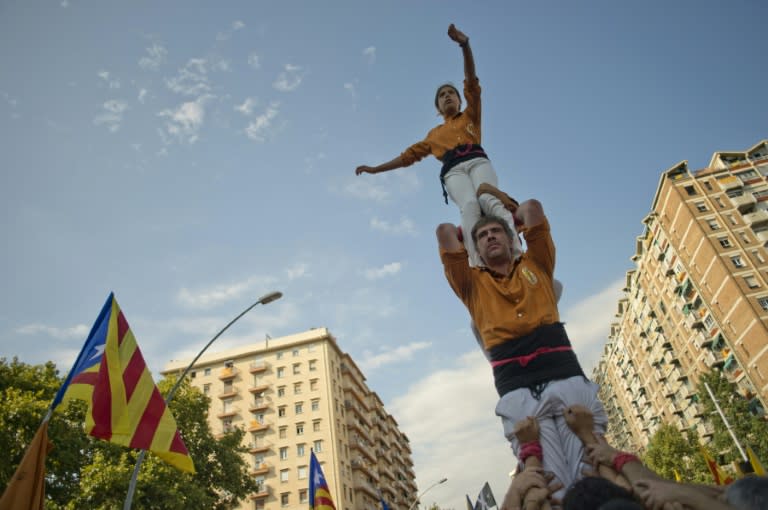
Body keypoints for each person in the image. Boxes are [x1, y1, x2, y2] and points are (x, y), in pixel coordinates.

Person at [436, 201, 605, 499]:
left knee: (590, 471)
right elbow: (445, 232)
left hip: (564, 374)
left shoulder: (537, 265)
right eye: (483, 235)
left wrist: (508, 219)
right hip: (517, 389)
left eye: (496, 232)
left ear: (512, 237)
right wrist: (472, 229)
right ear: (474, 249)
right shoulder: (471, 284)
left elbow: (532, 208)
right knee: (548, 483)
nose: (490, 236)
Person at [356, 24, 522, 267]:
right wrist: (374, 169)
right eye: (442, 95)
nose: (447, 96)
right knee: (469, 207)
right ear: (438, 107)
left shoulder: (470, 116)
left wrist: (465, 46)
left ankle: (516, 255)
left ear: (459, 99)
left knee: (488, 198)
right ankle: (479, 267)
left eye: (451, 93)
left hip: (477, 161)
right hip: (453, 170)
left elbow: (471, 82)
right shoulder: (433, 135)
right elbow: (406, 158)